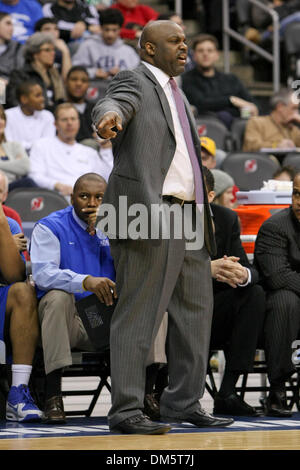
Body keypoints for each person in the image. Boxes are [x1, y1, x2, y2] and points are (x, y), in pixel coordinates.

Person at [92, 20, 233, 434]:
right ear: (149, 49)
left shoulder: (178, 91)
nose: (185, 47)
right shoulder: (134, 79)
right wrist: (108, 119)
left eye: (186, 41)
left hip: (188, 213)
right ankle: (126, 409)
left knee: (195, 311)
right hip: (147, 212)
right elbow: (112, 103)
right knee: (139, 313)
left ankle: (184, 402)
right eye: (175, 41)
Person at [30, 173, 116, 423]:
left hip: (107, 316)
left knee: (152, 299)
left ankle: (145, 395)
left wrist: (113, 232)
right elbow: (43, 274)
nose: (91, 203)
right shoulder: (50, 225)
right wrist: (84, 280)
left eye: (99, 197)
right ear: (71, 198)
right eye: (84, 196)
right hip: (69, 320)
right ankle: (53, 395)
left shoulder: (120, 228)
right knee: (56, 297)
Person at [203, 166, 266, 415]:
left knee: (254, 294)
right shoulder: (170, 220)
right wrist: (207, 269)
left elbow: (250, 269)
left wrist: (242, 275)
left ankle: (228, 391)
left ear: (209, 195)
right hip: (179, 305)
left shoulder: (226, 218)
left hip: (215, 308)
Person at [254, 171, 300, 417]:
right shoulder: (274, 227)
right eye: (296, 194)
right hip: (277, 304)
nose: (299, 201)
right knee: (286, 300)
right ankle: (278, 388)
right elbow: (278, 277)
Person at [0, 201, 42, 422]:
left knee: (24, 292)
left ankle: (18, 394)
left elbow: (14, 275)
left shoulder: (9, 225)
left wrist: (1, 229)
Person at [29, 102, 109, 198]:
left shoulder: (89, 152)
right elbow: (35, 176)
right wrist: (56, 185)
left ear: (78, 123)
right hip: (54, 198)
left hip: (86, 201)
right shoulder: (41, 145)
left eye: (73, 119)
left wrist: (106, 148)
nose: (69, 123)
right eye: (64, 120)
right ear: (55, 124)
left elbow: (105, 179)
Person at [181, 34, 258, 129]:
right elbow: (201, 103)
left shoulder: (230, 79)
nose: (205, 54)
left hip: (236, 128)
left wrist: (251, 107)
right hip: (207, 129)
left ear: (217, 55)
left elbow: (251, 103)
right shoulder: (187, 79)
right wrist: (231, 100)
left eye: (210, 50)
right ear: (194, 56)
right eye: (201, 51)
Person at [72, 8, 140, 82]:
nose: (110, 34)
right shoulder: (87, 46)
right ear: (101, 28)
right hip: (94, 88)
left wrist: (122, 75)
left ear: (120, 29)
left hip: (121, 91)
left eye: (114, 30)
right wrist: (94, 73)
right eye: (106, 29)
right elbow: (75, 71)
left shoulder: (128, 51)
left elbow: (138, 76)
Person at [6, 32, 66, 112]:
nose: (53, 53)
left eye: (53, 50)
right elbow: (14, 102)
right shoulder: (20, 74)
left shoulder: (54, 74)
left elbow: (61, 101)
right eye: (47, 50)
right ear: (35, 53)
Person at [5, 80, 56, 153]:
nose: (43, 99)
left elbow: (48, 144)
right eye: (38, 95)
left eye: (42, 95)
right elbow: (8, 144)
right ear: (24, 99)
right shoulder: (8, 115)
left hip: (41, 158)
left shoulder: (48, 116)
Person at [0, 105, 33, 190]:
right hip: (5, 189)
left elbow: (25, 167)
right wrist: (14, 164)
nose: (0, 122)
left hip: (14, 191)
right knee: (27, 182)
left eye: (2, 118)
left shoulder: (14, 145)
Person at [64, 65, 95, 142]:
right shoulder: (57, 109)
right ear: (66, 82)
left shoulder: (97, 109)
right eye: (74, 79)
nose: (78, 84)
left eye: (84, 81)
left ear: (88, 85)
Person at [0, 12, 23, 83]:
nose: (12, 28)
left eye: (12, 25)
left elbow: (19, 74)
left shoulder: (17, 48)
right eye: (8, 24)